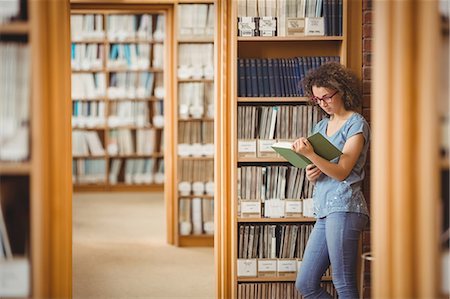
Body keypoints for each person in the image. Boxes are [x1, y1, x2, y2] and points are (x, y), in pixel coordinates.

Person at [293, 62, 370, 299]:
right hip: (325, 210)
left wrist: (311, 155)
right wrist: (311, 172)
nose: (323, 103)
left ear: (342, 91)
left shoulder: (356, 123)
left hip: (346, 207)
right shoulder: (321, 125)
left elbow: (343, 171)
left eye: (326, 96)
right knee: (305, 283)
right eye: (317, 99)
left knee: (343, 281)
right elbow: (322, 170)